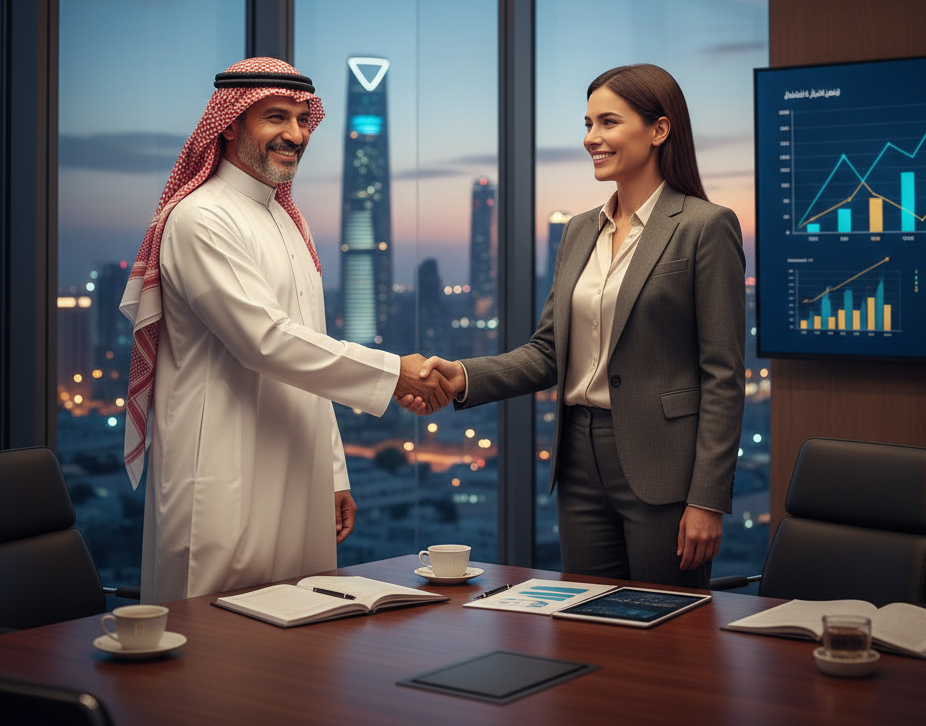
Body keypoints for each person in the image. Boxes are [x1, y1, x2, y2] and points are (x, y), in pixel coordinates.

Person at [120, 56, 454, 602]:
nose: (295, 134)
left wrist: (334, 472)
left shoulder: (288, 224)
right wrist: (396, 372)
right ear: (229, 124)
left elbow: (309, 356)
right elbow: (266, 341)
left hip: (299, 474)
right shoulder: (202, 217)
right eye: (276, 117)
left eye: (303, 120)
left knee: (304, 636)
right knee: (216, 647)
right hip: (223, 470)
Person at [420, 64, 745, 587]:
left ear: (659, 130)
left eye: (608, 123)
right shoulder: (578, 230)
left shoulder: (705, 227)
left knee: (665, 629)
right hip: (577, 456)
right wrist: (461, 375)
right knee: (588, 627)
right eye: (588, 123)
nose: (591, 138)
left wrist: (708, 498)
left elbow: (724, 376)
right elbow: (549, 350)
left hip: (663, 464)